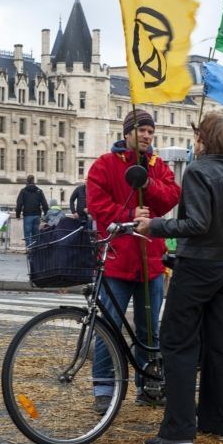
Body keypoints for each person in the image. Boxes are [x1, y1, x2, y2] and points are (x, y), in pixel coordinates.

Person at [135, 112, 223, 444]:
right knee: (219, 344)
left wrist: (154, 226)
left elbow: (196, 224)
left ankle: (179, 430)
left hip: (197, 267)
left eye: (197, 135)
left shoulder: (198, 170)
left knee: (177, 341)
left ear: (203, 138)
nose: (194, 140)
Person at [87, 108, 181, 415]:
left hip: (150, 262)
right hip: (117, 261)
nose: (146, 136)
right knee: (108, 327)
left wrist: (148, 186)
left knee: (148, 331)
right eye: (141, 130)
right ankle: (103, 388)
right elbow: (97, 205)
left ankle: (147, 386)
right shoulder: (104, 165)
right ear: (127, 132)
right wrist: (128, 215)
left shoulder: (157, 166)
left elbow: (171, 196)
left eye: (150, 132)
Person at [16, 175, 49, 247]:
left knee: (27, 234)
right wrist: (46, 215)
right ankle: (34, 250)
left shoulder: (23, 191)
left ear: (27, 182)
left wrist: (18, 215)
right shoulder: (39, 191)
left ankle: (31, 249)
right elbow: (44, 204)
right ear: (34, 181)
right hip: (37, 215)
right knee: (35, 234)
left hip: (27, 215)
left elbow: (19, 204)